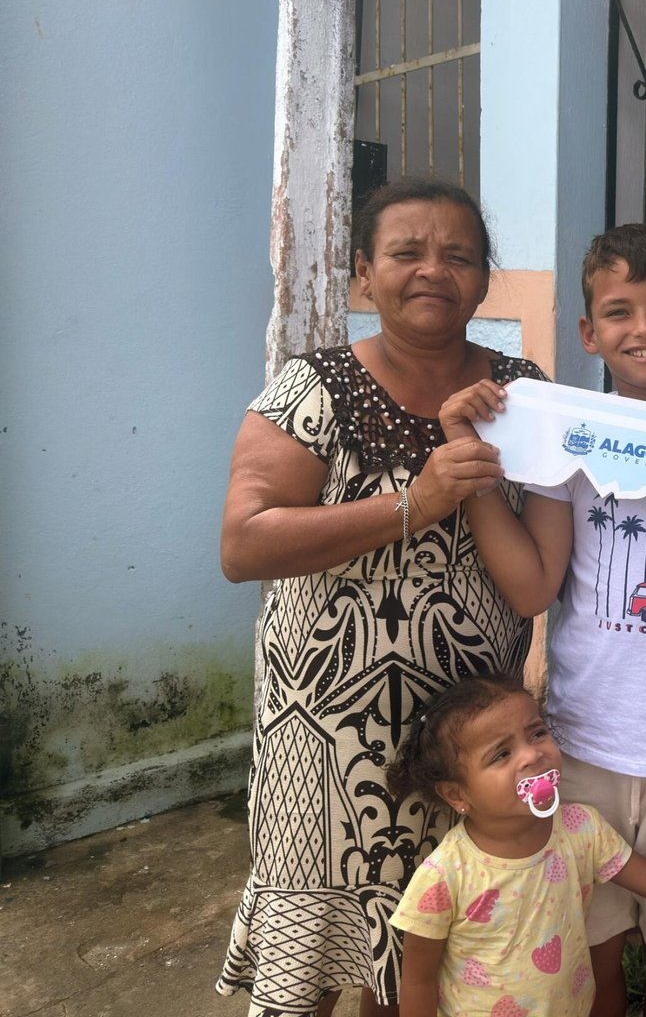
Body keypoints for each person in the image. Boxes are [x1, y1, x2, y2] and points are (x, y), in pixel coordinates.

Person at [215, 179, 550, 1017]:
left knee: (423, 959)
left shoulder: (525, 395)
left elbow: (540, 569)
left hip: (466, 740)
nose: (433, 269)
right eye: (406, 252)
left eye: (458, 255)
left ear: (484, 279)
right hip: (325, 739)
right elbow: (243, 543)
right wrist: (416, 502)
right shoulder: (314, 387)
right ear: (364, 273)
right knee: (310, 957)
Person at [437, 224, 646, 1017]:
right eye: (619, 312)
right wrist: (471, 465)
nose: (644, 328)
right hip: (584, 743)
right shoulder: (567, 436)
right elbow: (533, 588)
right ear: (589, 333)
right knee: (588, 959)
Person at [385, 674, 646, 1017]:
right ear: (456, 794)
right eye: (501, 754)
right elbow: (418, 980)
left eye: (536, 733)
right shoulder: (444, 876)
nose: (532, 754)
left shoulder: (581, 829)